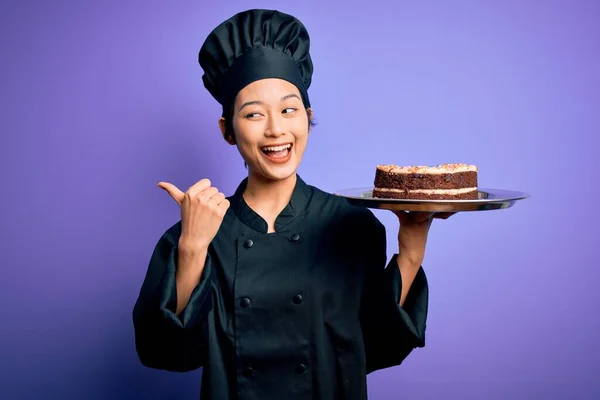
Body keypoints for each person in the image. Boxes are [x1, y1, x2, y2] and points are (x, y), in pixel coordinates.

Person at [132, 8, 453, 400]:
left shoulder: (351, 224)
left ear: (308, 116)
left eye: (289, 109)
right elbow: (165, 353)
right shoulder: (198, 229)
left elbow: (378, 345)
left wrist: (412, 249)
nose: (276, 129)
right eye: (253, 114)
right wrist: (193, 247)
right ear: (227, 130)